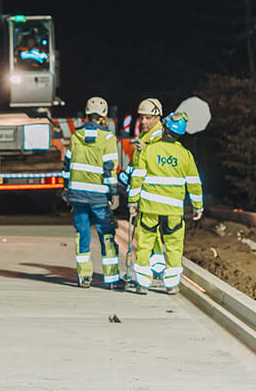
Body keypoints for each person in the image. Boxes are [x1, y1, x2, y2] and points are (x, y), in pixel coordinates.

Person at [128, 112, 204, 294]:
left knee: (145, 245)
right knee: (174, 247)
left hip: (149, 208)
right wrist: (197, 206)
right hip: (174, 211)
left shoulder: (149, 150)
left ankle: (142, 284)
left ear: (164, 128)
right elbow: (194, 183)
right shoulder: (185, 155)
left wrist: (133, 201)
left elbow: (137, 179)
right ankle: (171, 284)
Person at [61, 96, 120, 289]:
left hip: (77, 196)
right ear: (104, 116)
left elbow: (67, 166)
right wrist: (115, 194)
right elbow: (110, 170)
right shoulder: (108, 139)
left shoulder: (76, 136)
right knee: (106, 234)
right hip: (99, 198)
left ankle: (84, 277)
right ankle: (111, 279)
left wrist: (66, 188)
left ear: (86, 114)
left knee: (82, 235)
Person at [124, 98, 167, 279]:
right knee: (151, 233)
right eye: (141, 118)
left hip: (151, 193)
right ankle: (157, 268)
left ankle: (151, 272)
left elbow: (157, 160)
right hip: (145, 191)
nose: (143, 122)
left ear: (158, 117)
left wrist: (147, 149)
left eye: (147, 118)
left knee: (146, 233)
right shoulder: (146, 135)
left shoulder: (158, 136)